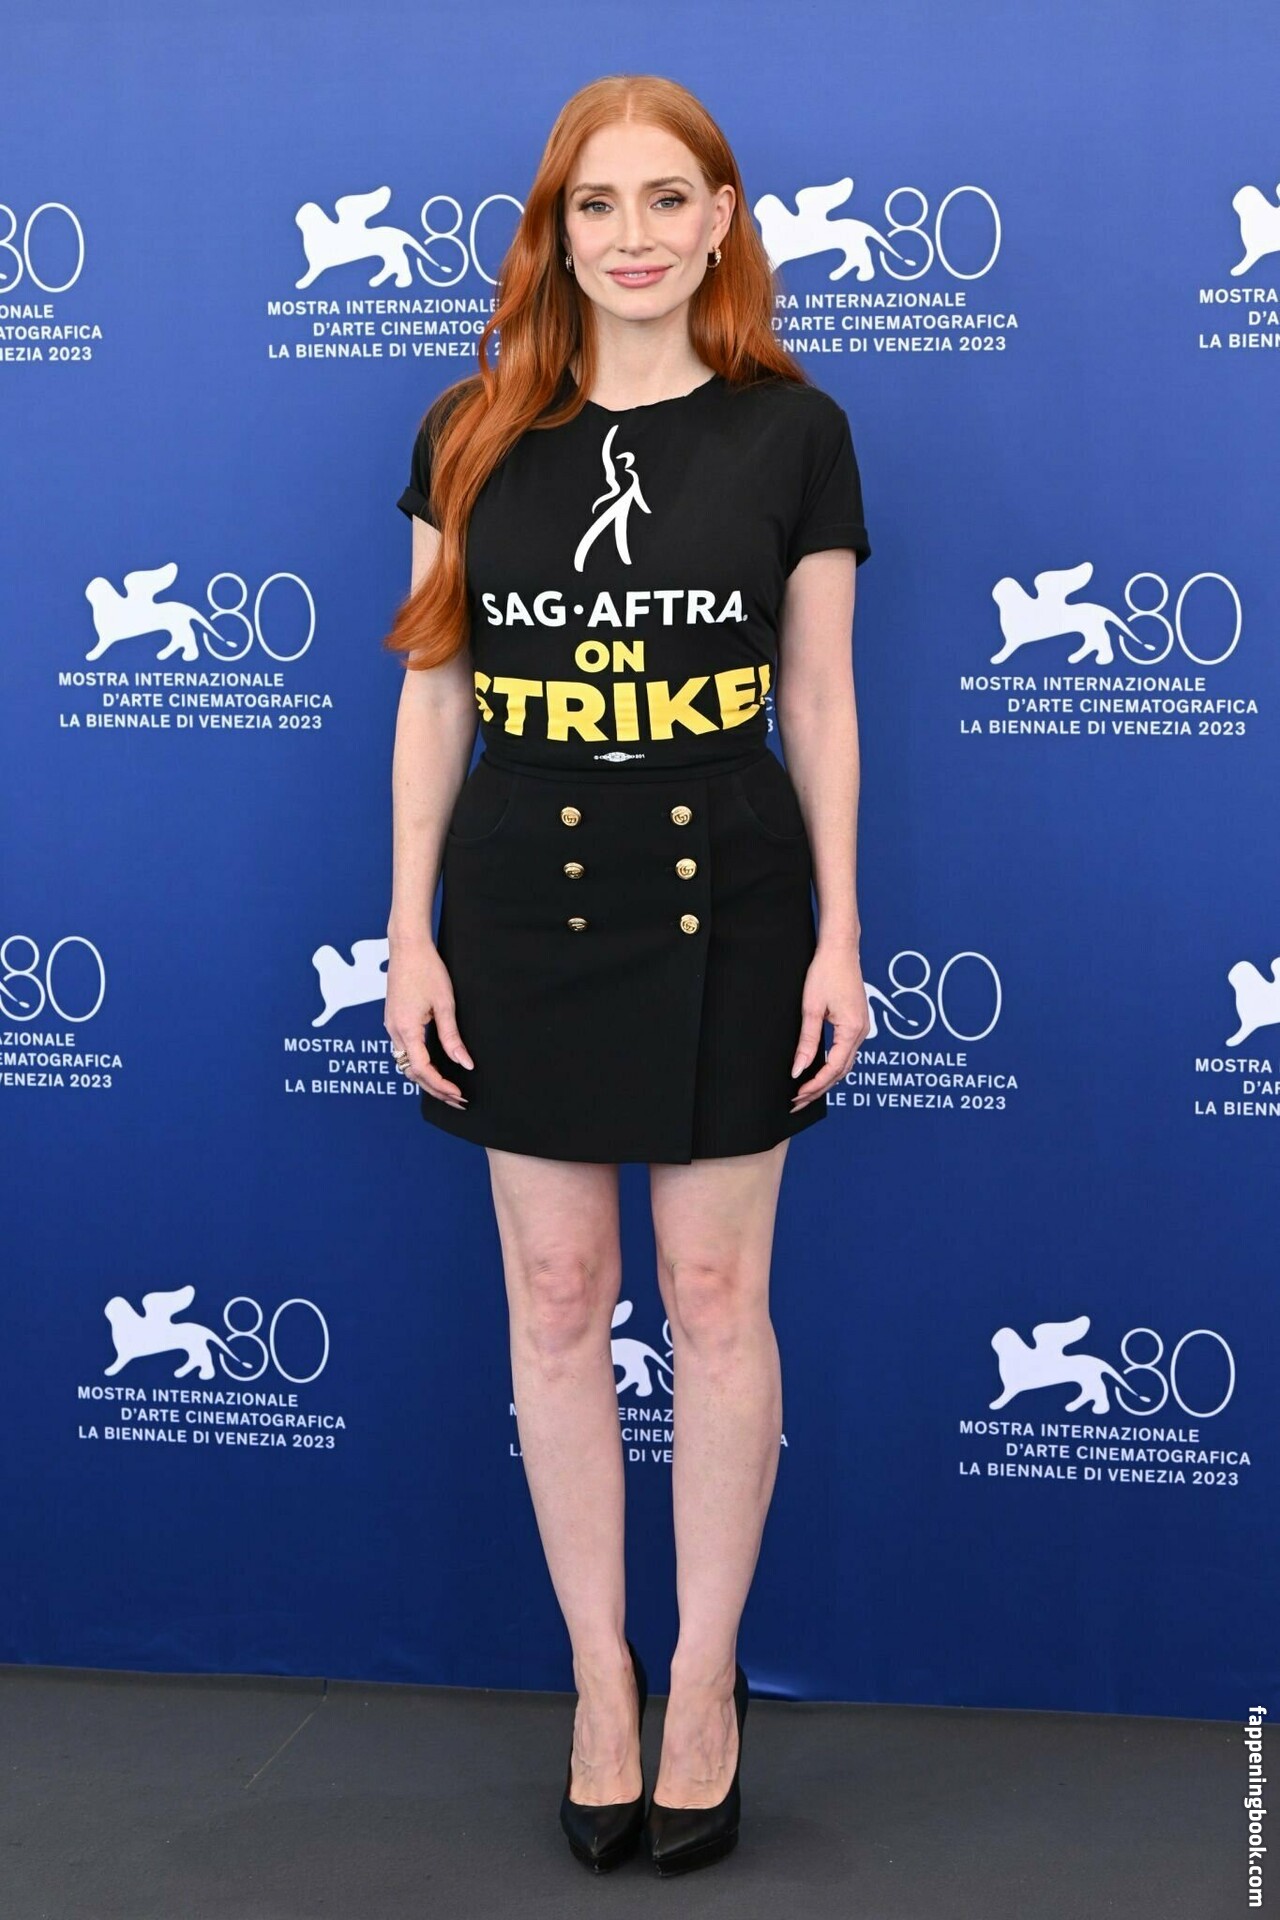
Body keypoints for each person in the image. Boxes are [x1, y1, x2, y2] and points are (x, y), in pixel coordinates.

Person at [381, 73, 871, 1877]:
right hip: (524, 895)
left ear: (723, 222)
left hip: (730, 889)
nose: (637, 235)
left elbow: (818, 703)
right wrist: (409, 927)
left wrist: (842, 932)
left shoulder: (794, 434)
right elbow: (436, 698)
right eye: (599, 204)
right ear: (556, 232)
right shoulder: (469, 430)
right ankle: (601, 1680)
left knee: (717, 1296)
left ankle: (706, 1682)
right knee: (557, 1292)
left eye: (671, 199)